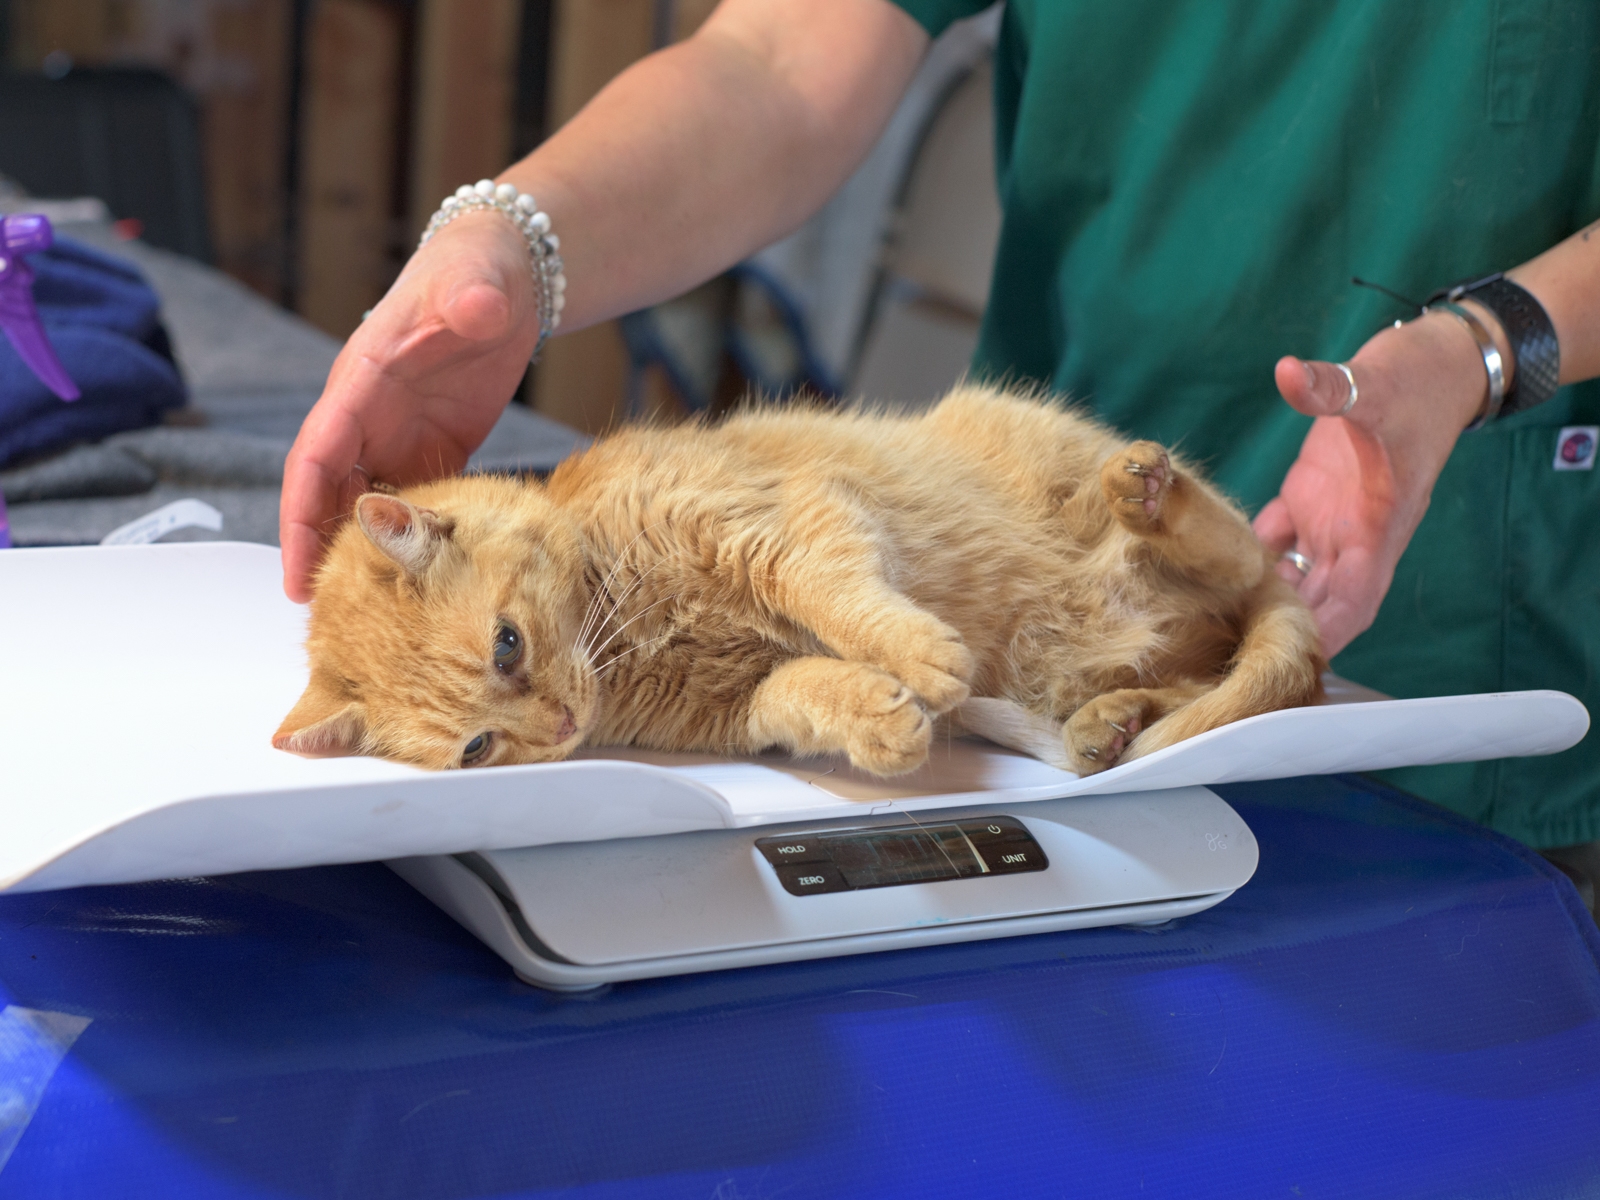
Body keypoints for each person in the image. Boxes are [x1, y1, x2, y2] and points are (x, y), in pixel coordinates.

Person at [280, 0, 1600, 850]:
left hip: (1479, 616)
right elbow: (779, 59)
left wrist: (1488, 348)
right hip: (1035, 647)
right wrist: (511, 241)